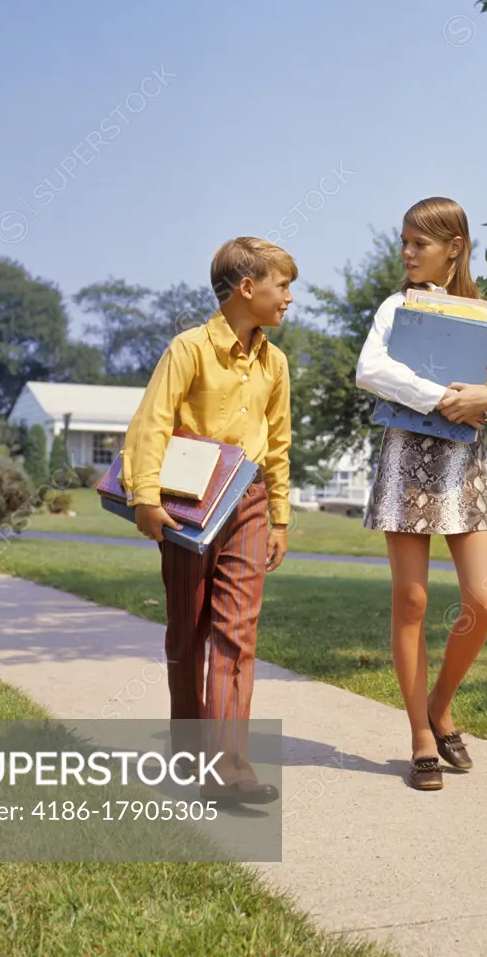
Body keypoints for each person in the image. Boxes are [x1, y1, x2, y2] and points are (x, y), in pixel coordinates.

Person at [121, 236, 295, 805]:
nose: (289, 298)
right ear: (248, 288)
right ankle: (189, 753)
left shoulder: (276, 362)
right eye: (282, 285)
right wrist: (146, 497)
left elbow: (278, 443)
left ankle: (229, 769)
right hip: (187, 508)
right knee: (188, 630)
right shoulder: (188, 349)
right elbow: (151, 424)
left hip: (244, 504)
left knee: (236, 633)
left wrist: (279, 514)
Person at [356, 197, 487, 790]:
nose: (406, 252)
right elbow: (369, 370)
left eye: (418, 243)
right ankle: (421, 737)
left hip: (464, 469)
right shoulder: (396, 308)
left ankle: (440, 702)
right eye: (403, 241)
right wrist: (443, 397)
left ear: (454, 247)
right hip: (406, 459)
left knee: (485, 599)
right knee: (413, 603)